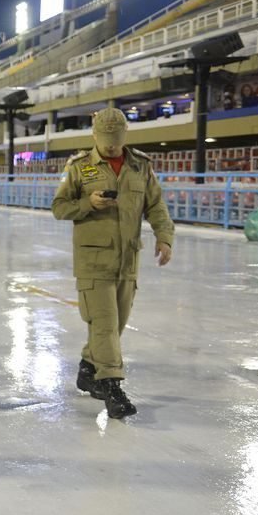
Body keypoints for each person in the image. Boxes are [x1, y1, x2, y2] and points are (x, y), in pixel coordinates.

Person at [52, 107, 173, 419]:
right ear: (94, 135)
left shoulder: (141, 166)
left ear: (125, 136)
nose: (109, 145)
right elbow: (59, 207)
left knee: (115, 325)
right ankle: (112, 386)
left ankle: (86, 368)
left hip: (127, 260)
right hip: (93, 260)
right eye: (105, 139)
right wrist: (87, 204)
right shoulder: (80, 167)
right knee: (104, 324)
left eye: (115, 140)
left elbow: (156, 205)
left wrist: (164, 236)